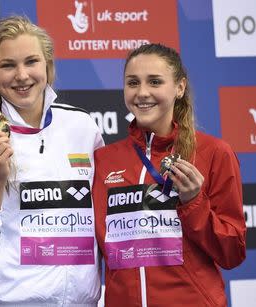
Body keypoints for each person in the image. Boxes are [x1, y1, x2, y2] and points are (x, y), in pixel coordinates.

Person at [0, 15, 104, 306]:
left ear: (48, 65)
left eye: (31, 61)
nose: (22, 75)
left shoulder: (83, 127)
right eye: (8, 65)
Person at [92, 43, 246, 306]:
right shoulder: (104, 159)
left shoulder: (213, 152)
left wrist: (194, 202)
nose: (142, 93)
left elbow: (232, 253)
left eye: (154, 82)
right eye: (132, 83)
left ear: (180, 87)